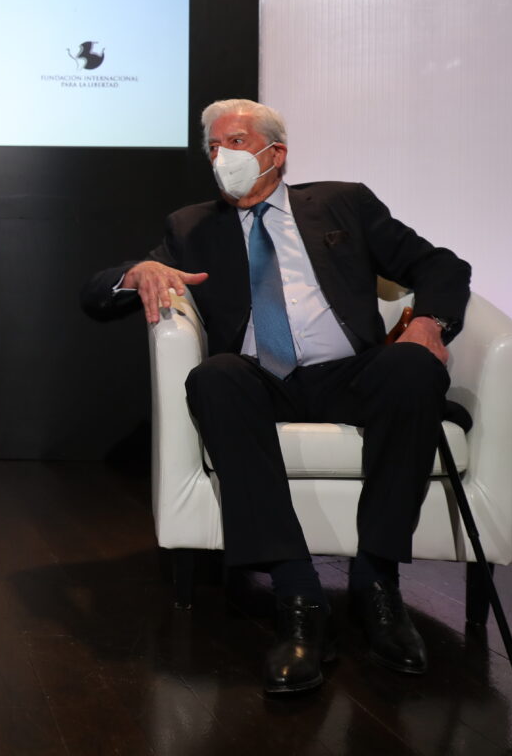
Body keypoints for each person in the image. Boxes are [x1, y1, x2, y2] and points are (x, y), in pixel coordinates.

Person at [81, 99, 469, 695]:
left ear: (275, 152)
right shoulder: (191, 226)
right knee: (214, 377)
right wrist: (136, 272)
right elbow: (94, 297)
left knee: (413, 369)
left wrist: (428, 323)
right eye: (213, 147)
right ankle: (298, 597)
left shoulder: (342, 203)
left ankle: (377, 583)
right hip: (263, 382)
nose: (221, 156)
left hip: (350, 375)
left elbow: (441, 264)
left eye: (235, 142)